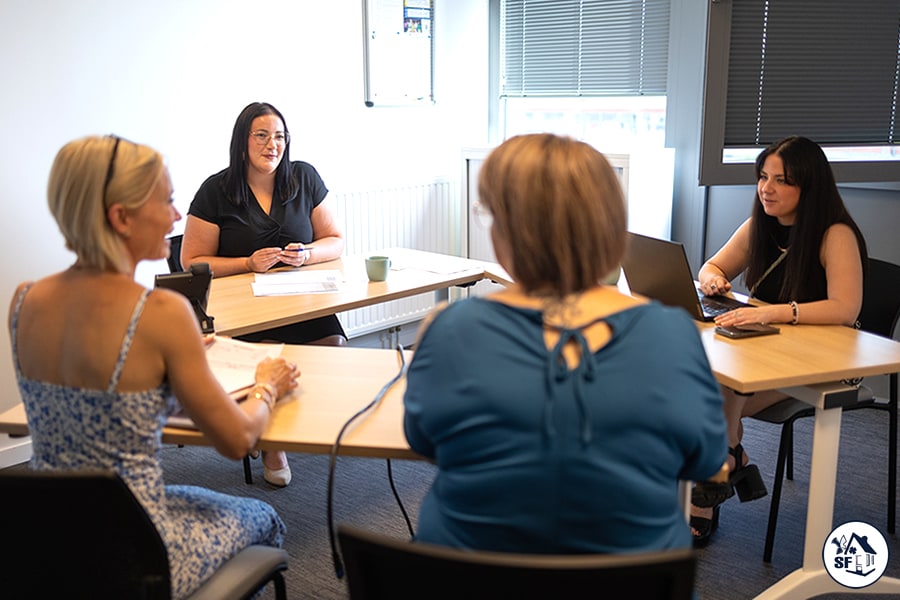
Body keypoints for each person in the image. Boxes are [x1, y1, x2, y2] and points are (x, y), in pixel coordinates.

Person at [403, 133, 728, 554]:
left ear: (504, 228)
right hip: (638, 582)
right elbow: (703, 460)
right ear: (610, 227)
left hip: (467, 578)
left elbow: (424, 440)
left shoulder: (449, 328)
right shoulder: (672, 333)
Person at [9, 135, 300, 598]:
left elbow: (101, 403)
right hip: (135, 547)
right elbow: (239, 439)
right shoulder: (160, 314)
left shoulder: (23, 300)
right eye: (165, 201)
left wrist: (174, 364)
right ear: (120, 218)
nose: (176, 216)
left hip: (48, 539)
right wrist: (267, 385)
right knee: (264, 517)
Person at [690, 135, 868, 546]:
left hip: (830, 360)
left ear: (809, 185)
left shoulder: (834, 233)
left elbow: (845, 309)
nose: (767, 189)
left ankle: (720, 467)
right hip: (767, 347)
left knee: (711, 392)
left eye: (782, 180)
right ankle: (728, 454)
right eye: (763, 177)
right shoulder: (760, 226)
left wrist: (775, 311)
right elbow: (712, 264)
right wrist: (713, 278)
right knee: (707, 385)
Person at [182, 101, 347, 486]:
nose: (272, 145)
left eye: (279, 137)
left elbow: (335, 241)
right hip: (247, 311)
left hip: (302, 300)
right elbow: (192, 261)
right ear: (242, 142)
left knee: (336, 346)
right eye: (261, 136)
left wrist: (306, 255)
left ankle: (293, 424)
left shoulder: (304, 178)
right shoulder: (216, 190)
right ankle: (273, 442)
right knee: (268, 352)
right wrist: (246, 263)